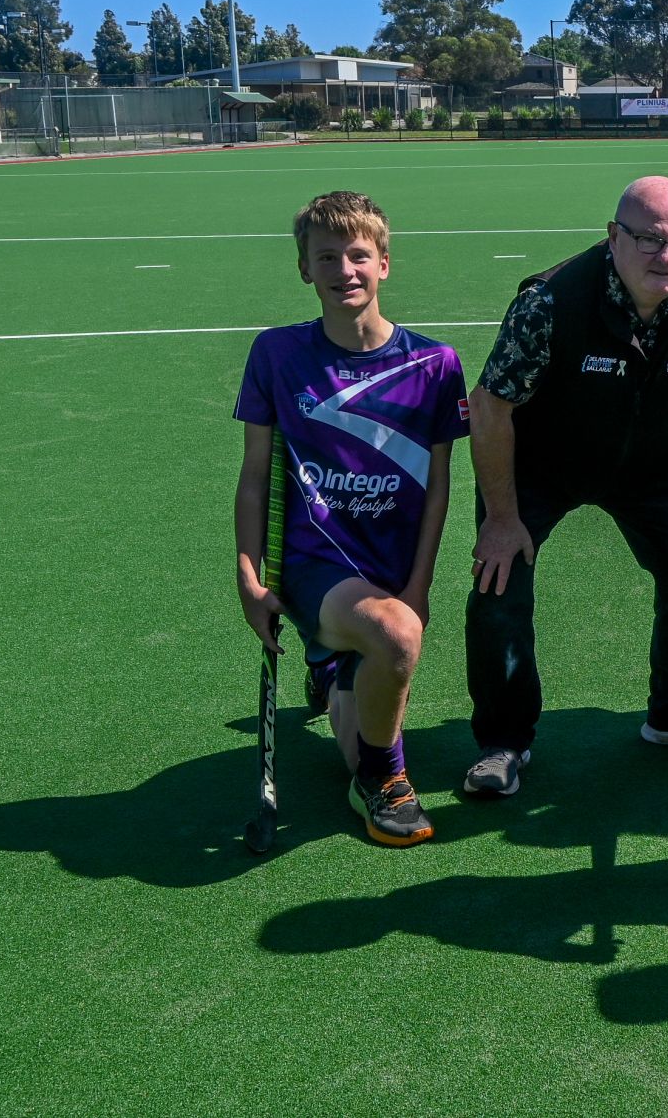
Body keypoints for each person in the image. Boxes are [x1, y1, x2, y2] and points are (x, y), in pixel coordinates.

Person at [463, 176, 668, 797]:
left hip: (648, 463)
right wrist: (500, 515)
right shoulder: (550, 301)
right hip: (540, 464)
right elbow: (490, 406)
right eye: (649, 239)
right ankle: (504, 740)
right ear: (613, 237)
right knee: (501, 581)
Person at [233, 191, 470, 847]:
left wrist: (418, 584)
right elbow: (255, 479)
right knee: (394, 640)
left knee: (373, 672)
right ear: (305, 269)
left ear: (385, 263)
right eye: (327, 257)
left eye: (359, 255)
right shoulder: (278, 355)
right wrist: (249, 576)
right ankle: (384, 780)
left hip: (390, 566)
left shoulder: (436, 364)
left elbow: (439, 486)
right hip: (316, 564)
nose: (345, 270)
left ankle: (333, 669)